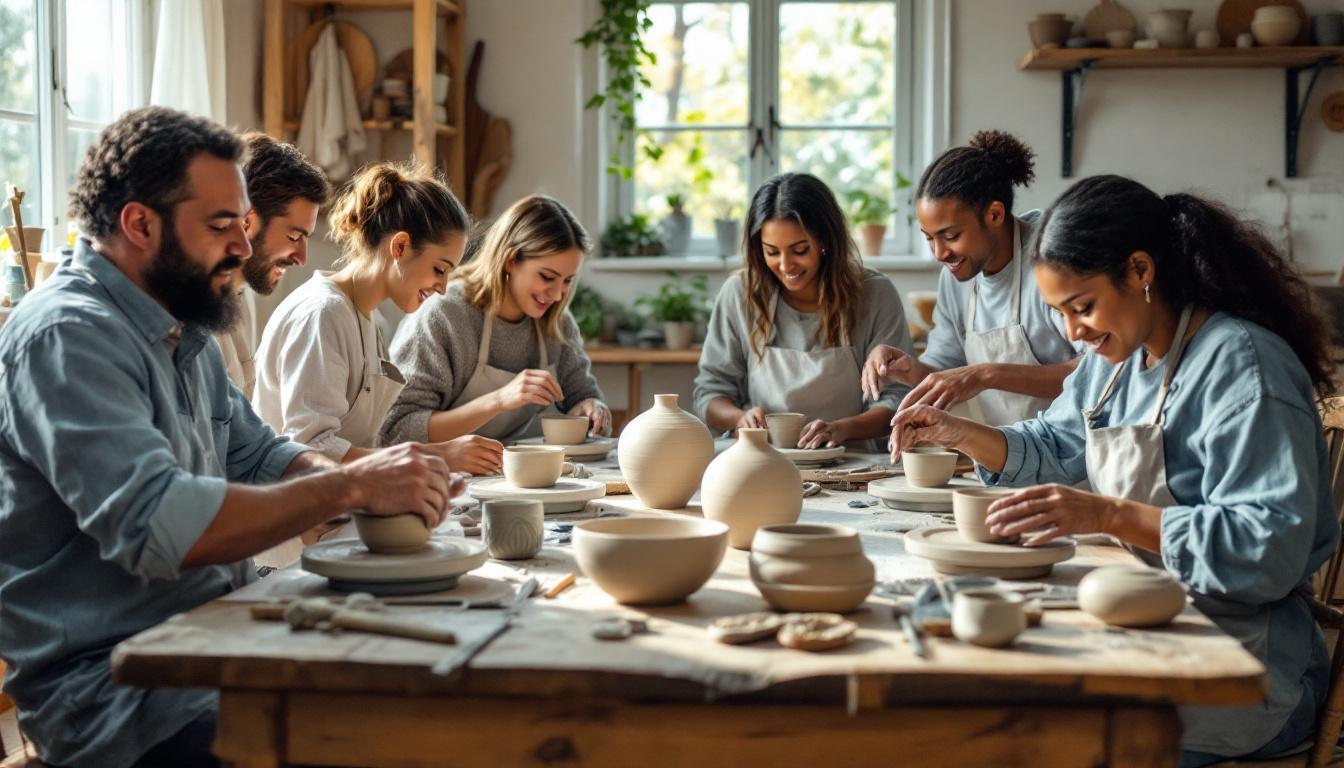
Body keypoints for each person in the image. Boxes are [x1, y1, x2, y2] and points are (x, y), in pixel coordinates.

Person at [0, 107, 462, 768]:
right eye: (222, 226)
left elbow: (260, 453)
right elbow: (163, 526)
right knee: (380, 739)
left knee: (433, 685)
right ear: (139, 225)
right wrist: (354, 482)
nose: (245, 247)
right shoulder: (67, 336)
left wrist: (375, 485)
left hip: (215, 637)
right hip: (121, 693)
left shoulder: (182, 327)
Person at [889, 174, 1339, 765]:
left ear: (1140, 271)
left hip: (1244, 661)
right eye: (1060, 314)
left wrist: (1107, 513)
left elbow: (1267, 549)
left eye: (1082, 307)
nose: (1074, 333)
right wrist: (962, 434)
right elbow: (1057, 440)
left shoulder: (1243, 368)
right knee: (977, 691)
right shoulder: (1116, 358)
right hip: (1149, 616)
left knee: (1031, 732)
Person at [252, 162, 503, 475]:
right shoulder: (322, 315)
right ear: (399, 246)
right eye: (439, 269)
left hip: (340, 502)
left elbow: (364, 447)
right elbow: (311, 450)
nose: (441, 289)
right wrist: (437, 456)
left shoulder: (368, 319)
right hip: (296, 512)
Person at [861, 130, 1080, 426]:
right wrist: (907, 369)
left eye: (950, 236)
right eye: (928, 239)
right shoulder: (954, 279)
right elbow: (944, 370)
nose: (939, 253)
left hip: (1073, 455)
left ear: (994, 214)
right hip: (1006, 456)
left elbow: (1098, 369)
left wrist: (985, 375)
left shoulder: (1054, 261)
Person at [695, 172, 915, 450]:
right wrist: (739, 418)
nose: (786, 266)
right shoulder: (740, 294)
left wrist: (842, 429)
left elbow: (897, 399)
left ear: (825, 240)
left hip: (851, 460)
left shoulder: (874, 294)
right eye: (772, 252)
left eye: (799, 250)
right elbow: (710, 392)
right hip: (759, 458)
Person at [381, 195, 610, 446]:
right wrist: (499, 400)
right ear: (510, 261)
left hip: (517, 475)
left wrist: (592, 408)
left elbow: (582, 395)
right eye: (547, 277)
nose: (557, 295)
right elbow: (398, 428)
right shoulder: (445, 315)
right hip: (444, 473)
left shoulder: (556, 320)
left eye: (567, 281)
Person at [215, 132, 329, 398]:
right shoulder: (195, 321)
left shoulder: (237, 304)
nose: (301, 259)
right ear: (247, 221)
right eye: (293, 236)